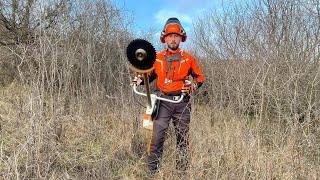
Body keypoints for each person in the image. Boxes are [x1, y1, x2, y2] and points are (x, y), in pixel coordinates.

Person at [134, 17, 205, 174]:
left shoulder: (188, 58)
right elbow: (148, 76)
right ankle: (153, 172)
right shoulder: (157, 58)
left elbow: (200, 78)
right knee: (157, 137)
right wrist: (139, 79)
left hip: (182, 102)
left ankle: (182, 172)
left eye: (176, 36)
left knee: (182, 139)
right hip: (161, 101)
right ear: (164, 38)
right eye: (170, 36)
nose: (173, 39)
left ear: (181, 37)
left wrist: (192, 86)